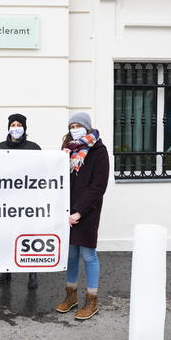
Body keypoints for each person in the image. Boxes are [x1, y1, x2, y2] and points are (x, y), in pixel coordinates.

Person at [56, 112, 109, 320]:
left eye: (78, 125)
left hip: (87, 211)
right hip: (67, 212)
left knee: (88, 255)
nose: (74, 129)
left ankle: (92, 299)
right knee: (70, 254)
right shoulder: (68, 151)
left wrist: (79, 211)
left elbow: (98, 186)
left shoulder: (99, 151)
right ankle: (71, 296)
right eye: (72, 125)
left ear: (87, 127)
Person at [0, 113, 41, 289]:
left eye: (18, 124)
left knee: (28, 236)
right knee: (5, 236)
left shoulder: (33, 147)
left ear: (24, 128)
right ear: (8, 127)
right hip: (5, 202)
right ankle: (6, 270)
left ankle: (32, 272)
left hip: (27, 202)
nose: (15, 127)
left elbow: (42, 171)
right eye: (12, 124)